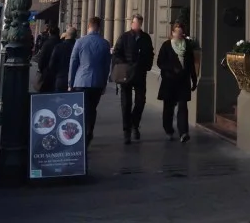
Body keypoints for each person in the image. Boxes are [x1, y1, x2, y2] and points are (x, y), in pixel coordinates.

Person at [112, 14, 154, 145]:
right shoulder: (124, 37)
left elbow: (150, 53)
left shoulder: (145, 38)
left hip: (140, 74)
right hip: (126, 74)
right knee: (126, 104)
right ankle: (127, 131)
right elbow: (116, 53)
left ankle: (134, 124)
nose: (137, 26)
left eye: (139, 24)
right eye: (136, 23)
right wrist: (124, 64)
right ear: (131, 23)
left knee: (140, 101)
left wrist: (147, 65)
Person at [68, 18, 112, 145]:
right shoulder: (105, 43)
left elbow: (73, 63)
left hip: (81, 81)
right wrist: (104, 83)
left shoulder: (80, 42)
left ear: (89, 26)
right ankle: (89, 131)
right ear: (99, 27)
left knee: (80, 109)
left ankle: (80, 133)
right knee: (92, 109)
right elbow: (106, 66)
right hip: (97, 81)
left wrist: (70, 83)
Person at [157, 20, 198, 142]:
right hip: (169, 81)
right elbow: (160, 62)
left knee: (183, 107)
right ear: (173, 33)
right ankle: (168, 129)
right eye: (177, 32)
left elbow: (191, 65)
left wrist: (194, 79)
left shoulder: (187, 46)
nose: (179, 34)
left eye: (181, 32)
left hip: (183, 81)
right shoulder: (166, 45)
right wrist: (171, 68)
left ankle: (183, 132)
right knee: (168, 108)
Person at [48, 26, 77, 92]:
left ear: (66, 34)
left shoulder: (58, 46)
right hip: (75, 80)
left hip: (60, 78)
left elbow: (51, 65)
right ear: (76, 35)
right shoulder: (78, 47)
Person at [36, 25, 60, 92]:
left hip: (47, 72)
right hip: (58, 73)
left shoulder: (46, 43)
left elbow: (42, 58)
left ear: (49, 33)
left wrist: (41, 69)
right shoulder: (61, 43)